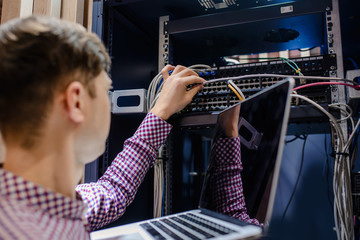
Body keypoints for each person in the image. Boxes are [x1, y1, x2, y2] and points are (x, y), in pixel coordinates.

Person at [0, 15, 256, 239]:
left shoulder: (49, 205)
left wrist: (161, 111)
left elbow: (113, 190)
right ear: (76, 102)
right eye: (105, 90)